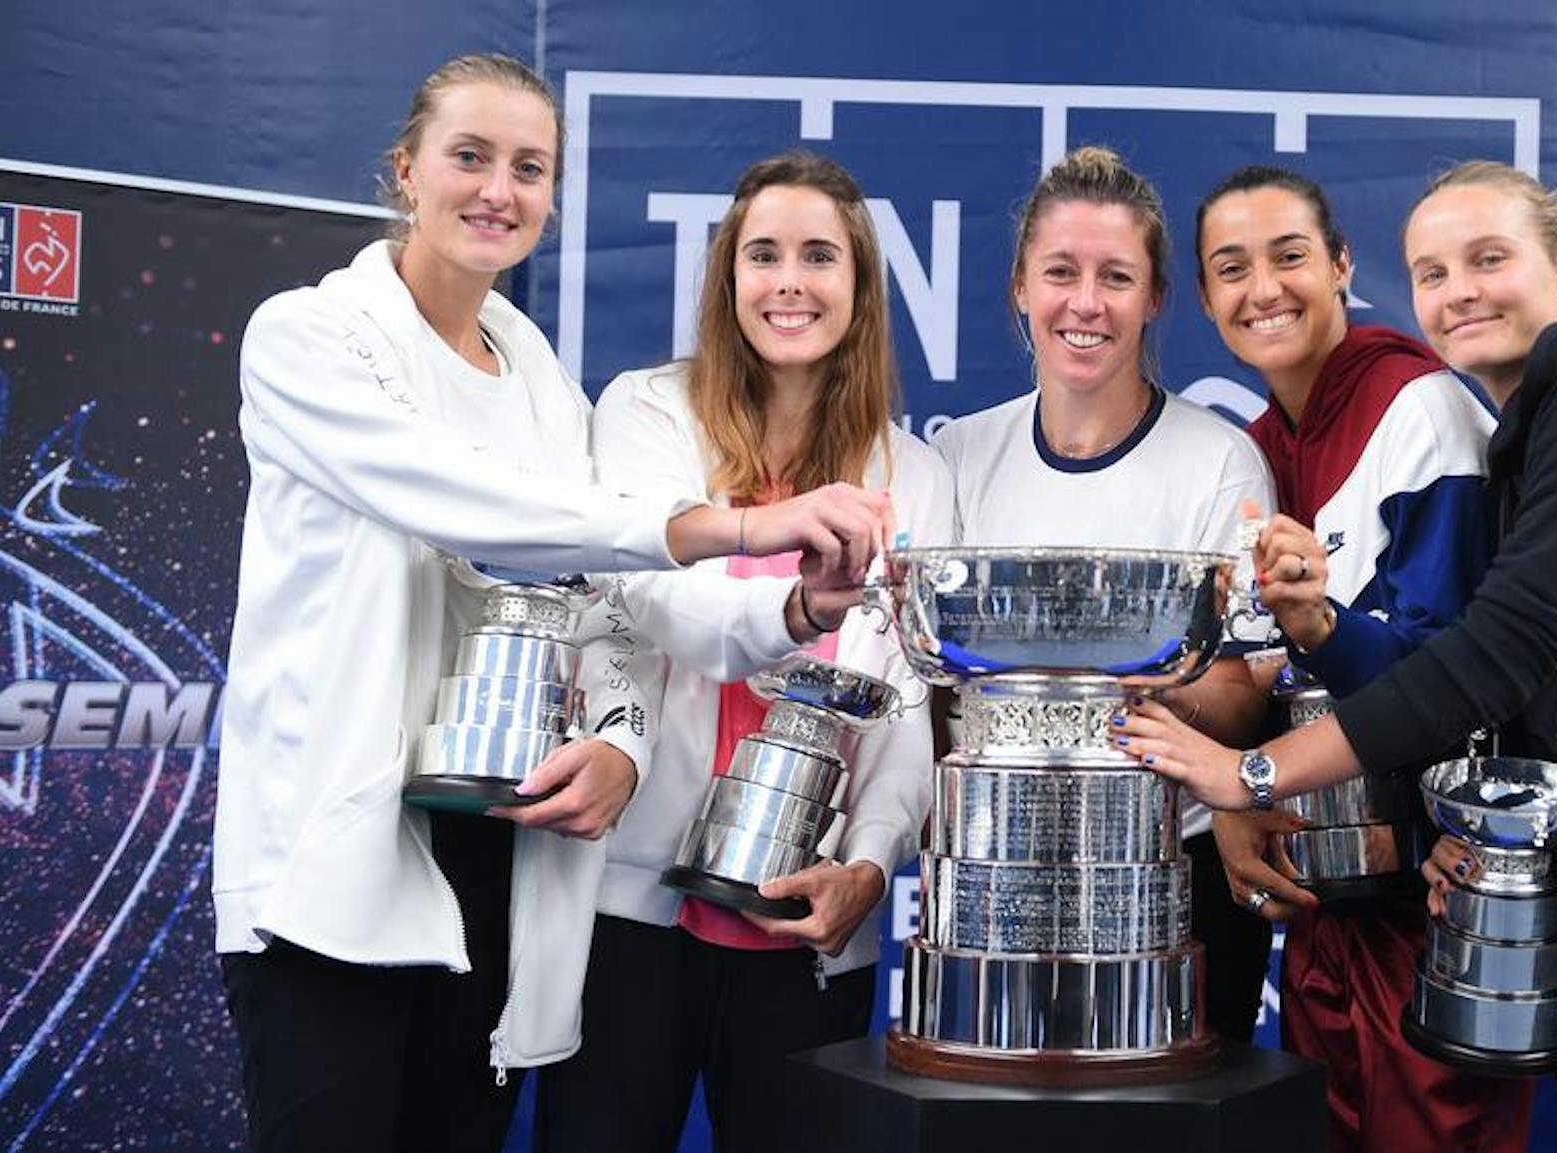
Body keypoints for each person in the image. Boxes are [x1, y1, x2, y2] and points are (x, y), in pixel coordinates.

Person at [213, 59, 889, 1153]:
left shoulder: (537, 373)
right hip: (327, 864)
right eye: (468, 156)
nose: (497, 190)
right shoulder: (304, 336)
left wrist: (620, 741)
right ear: (405, 170)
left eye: (528, 169)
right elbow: (468, 502)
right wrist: (732, 527)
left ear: (553, 198)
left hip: (495, 849)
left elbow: (604, 609)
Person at [1118, 160, 1557, 1152]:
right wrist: (1327, 635)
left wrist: (1252, 773)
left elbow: (1493, 654)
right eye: (1431, 271)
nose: (1458, 290)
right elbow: (1508, 693)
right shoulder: (1534, 435)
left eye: (1487, 259)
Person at [534, 152, 953, 1153]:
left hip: (806, 919)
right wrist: (801, 605)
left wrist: (865, 864)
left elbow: (903, 705)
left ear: (859, 286)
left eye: (819, 256)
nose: (789, 282)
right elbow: (664, 612)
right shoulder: (643, 413)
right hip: (632, 912)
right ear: (727, 277)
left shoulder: (913, 474)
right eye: (761, 255)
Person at [1191, 164, 1532, 1151]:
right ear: (1206, 301)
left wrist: (1319, 626)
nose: (1263, 288)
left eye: (1289, 255)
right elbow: (1262, 683)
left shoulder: (1421, 408)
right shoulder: (1254, 448)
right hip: (1323, 903)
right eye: (1231, 268)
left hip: (1431, 905)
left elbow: (1457, 680)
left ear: (1340, 264)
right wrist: (1233, 802)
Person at [931, 145, 1275, 1042]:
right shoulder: (958, 458)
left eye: (1116, 276)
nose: (1086, 303)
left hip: (1173, 866)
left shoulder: (1219, 461)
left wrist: (1086, 680)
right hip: (995, 870)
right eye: (1061, 272)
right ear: (1019, 286)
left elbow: (1241, 697)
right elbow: (928, 689)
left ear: (1154, 297)